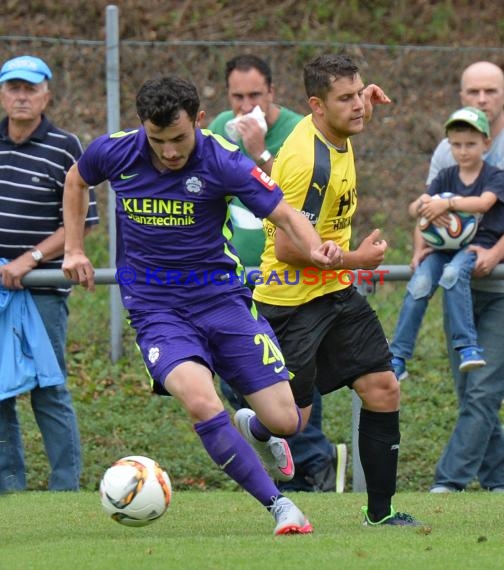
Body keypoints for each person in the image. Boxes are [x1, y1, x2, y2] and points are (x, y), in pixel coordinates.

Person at [61, 75, 345, 535]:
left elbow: (285, 213)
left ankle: (257, 428)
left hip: (221, 300)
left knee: (287, 420)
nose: (169, 152)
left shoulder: (223, 160)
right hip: (156, 309)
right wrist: (73, 249)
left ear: (199, 120)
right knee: (199, 401)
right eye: (158, 141)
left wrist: (314, 249)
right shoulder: (115, 151)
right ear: (142, 129)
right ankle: (281, 506)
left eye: (178, 138)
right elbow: (76, 180)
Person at [239, 52, 420, 526]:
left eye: (360, 93)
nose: (359, 105)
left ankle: (379, 515)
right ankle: (257, 426)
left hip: (334, 293)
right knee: (290, 421)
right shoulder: (305, 164)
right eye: (348, 98)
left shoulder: (334, 127)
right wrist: (360, 260)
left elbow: (348, 114)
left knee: (383, 388)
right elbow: (286, 249)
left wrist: (365, 99)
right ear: (317, 106)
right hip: (291, 303)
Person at [208, 54, 347, 493]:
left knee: (293, 376)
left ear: (272, 93)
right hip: (234, 277)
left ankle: (313, 467)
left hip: (290, 275)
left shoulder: (298, 130)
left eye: (254, 95)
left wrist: (258, 152)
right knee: (237, 375)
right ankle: (305, 456)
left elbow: (289, 204)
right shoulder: (216, 130)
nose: (245, 105)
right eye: (237, 96)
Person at [0, 55, 99, 492]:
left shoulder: (65, 146)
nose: (21, 97)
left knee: (48, 388)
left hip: (41, 287)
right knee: (0, 392)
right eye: (13, 88)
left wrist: (31, 258)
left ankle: (64, 489)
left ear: (47, 95)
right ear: (3, 94)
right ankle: (10, 488)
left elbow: (83, 221)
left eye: (30, 88)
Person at [425, 62, 504, 494]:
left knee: (482, 390)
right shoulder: (447, 149)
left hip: (500, 289)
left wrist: (495, 252)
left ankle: (448, 482)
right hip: (460, 289)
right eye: (472, 91)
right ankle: (498, 480)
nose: (481, 99)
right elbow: (433, 214)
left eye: (490, 91)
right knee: (469, 390)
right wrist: (424, 247)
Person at [390, 107, 504, 381]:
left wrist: (447, 203)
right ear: (449, 145)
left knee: (453, 275)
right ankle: (398, 357)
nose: (463, 151)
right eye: (456, 145)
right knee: (418, 284)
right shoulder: (445, 176)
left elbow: (484, 203)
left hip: (475, 247)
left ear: (486, 144)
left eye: (470, 144)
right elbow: (414, 208)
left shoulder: (494, 176)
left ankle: (467, 347)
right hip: (442, 249)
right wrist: (425, 206)